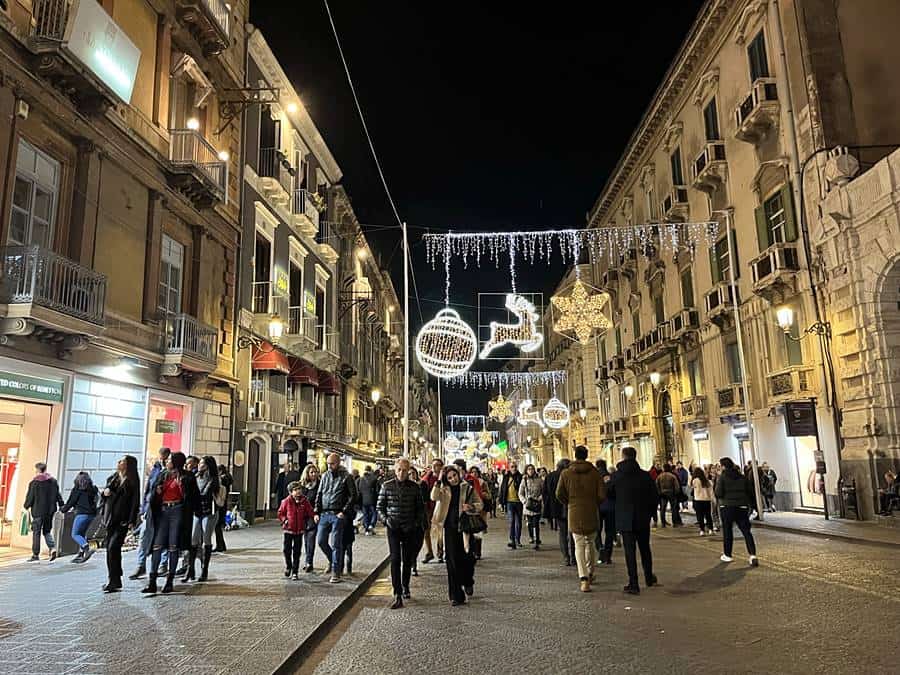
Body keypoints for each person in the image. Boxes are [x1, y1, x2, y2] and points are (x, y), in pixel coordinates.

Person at [142, 452, 200, 595]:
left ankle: (169, 580)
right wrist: (157, 491)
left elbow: (193, 497)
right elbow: (153, 493)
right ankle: (152, 581)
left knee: (173, 546)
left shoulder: (187, 476)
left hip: (178, 511)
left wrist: (182, 487)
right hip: (162, 512)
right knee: (157, 545)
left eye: (169, 460)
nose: (166, 462)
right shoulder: (163, 475)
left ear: (176, 462)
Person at [607, 446, 657, 595]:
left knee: (630, 552)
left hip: (625, 518)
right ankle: (648, 577)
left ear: (623, 457)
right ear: (635, 457)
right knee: (645, 549)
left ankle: (633, 583)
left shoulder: (616, 476)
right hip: (642, 518)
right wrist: (650, 514)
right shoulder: (645, 475)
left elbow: (609, 493)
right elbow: (654, 497)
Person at [377, 457, 426, 609]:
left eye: (405, 470)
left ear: (409, 470)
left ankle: (405, 585)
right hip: (393, 528)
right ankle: (397, 591)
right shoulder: (386, 486)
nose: (402, 473)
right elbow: (380, 507)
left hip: (409, 528)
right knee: (395, 559)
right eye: (399, 469)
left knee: (407, 559)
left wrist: (415, 523)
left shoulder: (415, 487)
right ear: (395, 470)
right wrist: (386, 520)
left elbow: (420, 509)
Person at [556, 446, 606, 593]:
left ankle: (583, 578)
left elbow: (559, 494)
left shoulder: (566, 473)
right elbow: (602, 495)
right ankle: (590, 572)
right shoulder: (595, 473)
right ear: (586, 455)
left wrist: (569, 502)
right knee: (590, 542)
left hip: (574, 512)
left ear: (575, 456)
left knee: (578, 545)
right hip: (591, 511)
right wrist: (594, 503)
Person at [431, 465, 482, 606]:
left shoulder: (468, 488)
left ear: (458, 475)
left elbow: (480, 504)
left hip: (465, 528)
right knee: (452, 562)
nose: (453, 479)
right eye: (449, 477)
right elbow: (433, 496)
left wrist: (471, 507)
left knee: (468, 559)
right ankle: (456, 595)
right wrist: (439, 480)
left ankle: (468, 581)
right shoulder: (443, 489)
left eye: (454, 476)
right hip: (449, 529)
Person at [314, 453, 357, 583]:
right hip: (324, 514)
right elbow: (319, 493)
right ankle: (334, 562)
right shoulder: (325, 476)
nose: (329, 466)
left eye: (332, 463)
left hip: (337, 514)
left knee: (336, 543)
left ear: (338, 463)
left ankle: (335, 572)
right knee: (321, 541)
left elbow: (353, 495)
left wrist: (343, 511)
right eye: (328, 463)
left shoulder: (346, 477)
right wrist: (316, 511)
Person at [100, 456, 141, 592]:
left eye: (122, 461)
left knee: (113, 547)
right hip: (110, 518)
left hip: (122, 520)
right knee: (111, 549)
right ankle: (114, 578)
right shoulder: (113, 478)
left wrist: (131, 520)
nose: (119, 462)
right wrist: (104, 492)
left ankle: (115, 578)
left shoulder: (132, 480)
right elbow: (105, 493)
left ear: (128, 465)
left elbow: (135, 501)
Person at [130, 448, 171, 579]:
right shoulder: (155, 469)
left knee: (163, 538)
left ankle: (163, 565)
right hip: (150, 509)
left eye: (164, 456)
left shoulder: (170, 471)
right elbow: (148, 489)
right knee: (143, 538)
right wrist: (143, 509)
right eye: (161, 456)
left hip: (164, 510)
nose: (162, 458)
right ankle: (141, 565)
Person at [715, 457, 759, 566]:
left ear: (724, 466)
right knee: (746, 531)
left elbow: (718, 493)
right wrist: (750, 505)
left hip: (727, 507)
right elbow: (749, 492)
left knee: (728, 531)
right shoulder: (742, 477)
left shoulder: (722, 477)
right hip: (742, 507)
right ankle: (752, 555)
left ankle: (727, 555)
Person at [184, 456, 221, 583]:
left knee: (206, 538)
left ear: (208, 465)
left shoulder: (213, 478)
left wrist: (194, 494)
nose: (200, 465)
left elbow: (205, 493)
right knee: (193, 539)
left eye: (202, 464)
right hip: (197, 512)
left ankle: (204, 569)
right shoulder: (195, 476)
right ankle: (190, 569)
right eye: (199, 463)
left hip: (209, 512)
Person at [23, 462, 63, 562]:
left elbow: (30, 497)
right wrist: (62, 505)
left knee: (36, 532)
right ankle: (52, 548)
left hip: (38, 511)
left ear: (37, 470)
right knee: (46, 531)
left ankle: (35, 555)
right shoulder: (53, 481)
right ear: (45, 470)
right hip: (50, 511)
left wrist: (26, 506)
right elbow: (58, 495)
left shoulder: (34, 483)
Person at [278, 480, 315, 580]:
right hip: (288, 530)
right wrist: (284, 520)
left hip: (299, 531)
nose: (298, 491)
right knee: (287, 550)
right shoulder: (286, 501)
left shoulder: (304, 501)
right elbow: (281, 513)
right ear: (290, 492)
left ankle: (295, 571)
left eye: (299, 489)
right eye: (295, 490)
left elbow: (310, 511)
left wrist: (314, 516)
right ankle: (288, 566)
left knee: (297, 552)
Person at [61, 472, 99, 563]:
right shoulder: (93, 489)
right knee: (82, 534)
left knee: (75, 534)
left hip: (82, 514)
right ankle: (81, 554)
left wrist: (63, 510)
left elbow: (71, 502)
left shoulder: (77, 490)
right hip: (92, 515)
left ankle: (87, 548)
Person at [545, 458, 575, 566]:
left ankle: (566, 557)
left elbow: (546, 493)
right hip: (570, 507)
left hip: (557, 508)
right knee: (572, 533)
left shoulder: (550, 476)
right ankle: (573, 557)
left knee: (562, 533)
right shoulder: (571, 476)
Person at [421, 458, 444, 563]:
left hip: (440, 507)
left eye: (438, 465)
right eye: (433, 465)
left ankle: (440, 552)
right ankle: (429, 552)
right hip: (428, 508)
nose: (435, 467)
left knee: (440, 530)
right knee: (426, 530)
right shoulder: (426, 479)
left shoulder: (445, 478)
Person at [299, 463, 321, 572]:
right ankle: (307, 560)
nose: (314, 474)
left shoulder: (319, 485)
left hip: (313, 515)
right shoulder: (302, 486)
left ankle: (309, 562)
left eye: (315, 472)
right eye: (311, 472)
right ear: (307, 473)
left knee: (311, 539)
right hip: (303, 516)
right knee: (306, 539)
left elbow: (319, 500)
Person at [518, 464, 544, 550]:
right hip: (528, 505)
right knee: (530, 523)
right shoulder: (524, 480)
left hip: (536, 504)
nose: (530, 471)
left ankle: (537, 540)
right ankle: (531, 537)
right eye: (529, 469)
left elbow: (543, 491)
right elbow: (520, 493)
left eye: (532, 469)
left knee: (536, 523)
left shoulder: (539, 480)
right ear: (526, 471)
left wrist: (540, 497)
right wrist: (524, 501)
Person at [499, 461, 524, 549]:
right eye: (512, 467)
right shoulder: (506, 477)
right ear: (509, 468)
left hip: (519, 502)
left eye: (515, 466)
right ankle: (512, 539)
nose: (514, 468)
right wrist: (501, 502)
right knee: (512, 521)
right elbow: (502, 489)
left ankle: (517, 539)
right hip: (509, 502)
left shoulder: (520, 477)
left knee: (519, 522)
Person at [596, 459, 616, 565]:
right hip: (610, 507)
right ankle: (608, 555)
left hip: (597, 507)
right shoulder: (611, 477)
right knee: (610, 532)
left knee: (596, 531)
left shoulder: (593, 476)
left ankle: (600, 549)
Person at [407, 466, 427, 576]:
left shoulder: (422, 484)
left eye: (413, 473)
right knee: (410, 544)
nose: (411, 475)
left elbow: (426, 499)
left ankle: (413, 559)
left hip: (420, 519)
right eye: (409, 474)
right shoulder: (404, 486)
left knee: (419, 543)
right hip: (408, 520)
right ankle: (412, 564)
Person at [466, 466, 488, 560]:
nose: (474, 474)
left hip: (480, 510)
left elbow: (488, 495)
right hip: (469, 511)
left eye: (476, 472)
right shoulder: (466, 482)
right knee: (470, 532)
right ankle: (471, 551)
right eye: (472, 472)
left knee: (478, 532)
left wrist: (484, 494)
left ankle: (478, 552)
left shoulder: (482, 483)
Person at [214, 463, 233, 552]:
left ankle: (220, 545)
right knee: (218, 526)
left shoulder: (222, 479)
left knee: (217, 526)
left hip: (219, 503)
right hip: (223, 503)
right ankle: (221, 545)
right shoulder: (227, 479)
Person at [691, 467, 715, 536]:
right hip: (707, 500)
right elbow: (711, 492)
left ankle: (702, 530)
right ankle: (711, 529)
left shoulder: (695, 480)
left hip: (698, 500)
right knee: (708, 515)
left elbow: (691, 486)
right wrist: (713, 499)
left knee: (700, 516)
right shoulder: (708, 481)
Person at [358, 466, 380, 535]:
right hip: (373, 500)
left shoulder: (360, 479)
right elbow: (377, 491)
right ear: (371, 471)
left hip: (363, 500)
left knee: (365, 514)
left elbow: (359, 490)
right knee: (374, 513)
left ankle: (367, 529)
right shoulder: (374, 479)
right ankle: (371, 525)